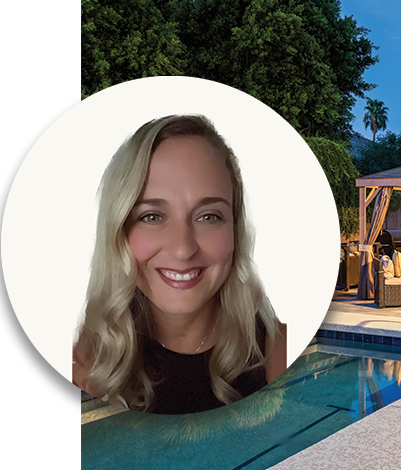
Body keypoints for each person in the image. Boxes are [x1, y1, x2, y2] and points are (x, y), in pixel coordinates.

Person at [73, 114, 286, 414]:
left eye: (209, 216)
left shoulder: (279, 349)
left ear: (235, 230)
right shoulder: (86, 358)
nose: (183, 249)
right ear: (119, 230)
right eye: (151, 216)